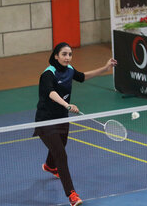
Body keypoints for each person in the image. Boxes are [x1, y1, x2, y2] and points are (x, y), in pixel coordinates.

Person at [33, 42, 117, 206]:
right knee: (61, 155)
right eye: (64, 54)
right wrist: (67, 105)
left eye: (70, 54)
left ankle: (50, 166)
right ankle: (71, 194)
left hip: (62, 119)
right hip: (45, 120)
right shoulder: (48, 74)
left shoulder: (70, 70)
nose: (67, 57)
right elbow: (51, 92)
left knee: (60, 147)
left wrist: (105, 68)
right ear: (56, 56)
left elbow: (83, 76)